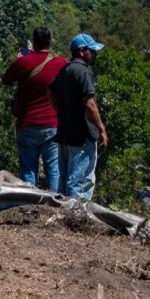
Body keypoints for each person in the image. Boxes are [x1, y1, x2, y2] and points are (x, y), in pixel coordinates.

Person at [2, 27, 67, 190]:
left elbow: (5, 80)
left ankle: (29, 202)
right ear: (51, 42)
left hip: (26, 124)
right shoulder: (60, 62)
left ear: (33, 42)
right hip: (52, 124)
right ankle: (54, 201)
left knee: (28, 170)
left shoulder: (22, 62)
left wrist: (19, 60)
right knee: (53, 169)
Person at [49, 33, 108, 199]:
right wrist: (102, 130)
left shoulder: (65, 70)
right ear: (82, 51)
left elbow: (50, 91)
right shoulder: (83, 72)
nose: (95, 54)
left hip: (65, 133)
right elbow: (90, 103)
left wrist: (61, 111)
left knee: (64, 179)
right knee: (80, 181)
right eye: (92, 51)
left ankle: (62, 211)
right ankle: (76, 213)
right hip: (82, 135)